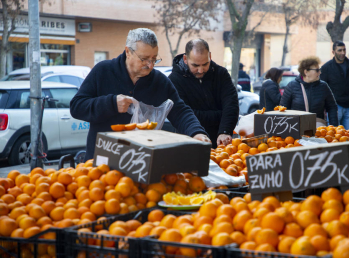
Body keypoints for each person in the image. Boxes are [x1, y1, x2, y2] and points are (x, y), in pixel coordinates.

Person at [70, 28, 211, 160]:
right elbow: (77, 107)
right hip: (102, 161)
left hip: (140, 162)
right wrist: (111, 103)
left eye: (154, 59)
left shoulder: (159, 81)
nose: (150, 65)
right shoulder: (103, 71)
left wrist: (196, 132)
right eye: (144, 59)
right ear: (128, 52)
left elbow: (180, 111)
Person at [169, 39, 239, 149]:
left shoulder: (221, 74)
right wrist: (220, 115)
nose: (200, 70)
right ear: (185, 59)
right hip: (189, 143)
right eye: (195, 65)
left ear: (210, 56)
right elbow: (186, 114)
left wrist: (225, 130)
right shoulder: (174, 80)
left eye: (205, 64)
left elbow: (231, 105)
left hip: (221, 144)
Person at [280, 56, 338, 126]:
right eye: (317, 70)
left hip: (318, 128)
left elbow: (332, 107)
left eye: (319, 70)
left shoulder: (323, 86)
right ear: (306, 72)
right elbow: (283, 109)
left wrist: (333, 126)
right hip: (296, 126)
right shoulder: (292, 86)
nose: (319, 72)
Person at [320, 41, 349, 130]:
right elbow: (322, 88)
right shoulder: (326, 67)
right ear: (333, 52)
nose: (343, 53)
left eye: (344, 50)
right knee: (335, 134)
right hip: (335, 107)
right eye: (339, 50)